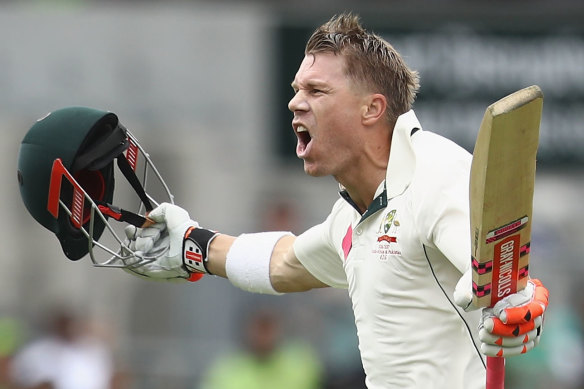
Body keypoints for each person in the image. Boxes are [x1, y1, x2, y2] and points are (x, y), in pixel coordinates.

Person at [122, 13, 549, 389]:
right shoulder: (351, 215)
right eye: (295, 89)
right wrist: (193, 245)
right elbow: (286, 263)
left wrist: (523, 302)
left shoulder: (437, 174)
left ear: (372, 109)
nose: (295, 102)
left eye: (317, 91)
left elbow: (504, 277)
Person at [200, 308, 322, 389]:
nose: (264, 337)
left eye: (268, 329)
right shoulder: (226, 369)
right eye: (259, 329)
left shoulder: (302, 363)